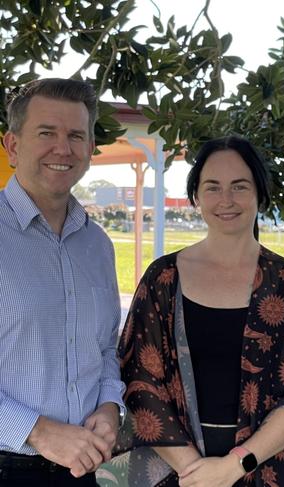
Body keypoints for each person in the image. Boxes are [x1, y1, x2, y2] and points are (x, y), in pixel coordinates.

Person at [116, 135, 284, 487]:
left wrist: (233, 467)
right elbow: (139, 380)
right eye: (212, 187)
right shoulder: (163, 278)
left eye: (239, 186)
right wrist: (194, 470)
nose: (226, 200)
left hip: (262, 466)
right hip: (174, 469)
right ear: (196, 196)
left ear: (260, 193)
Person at [0, 78, 125, 485]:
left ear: (90, 149)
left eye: (75, 135)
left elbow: (106, 345)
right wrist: (36, 430)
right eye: (46, 133)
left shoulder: (97, 245)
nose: (62, 148)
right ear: (13, 146)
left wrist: (109, 404)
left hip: (80, 471)